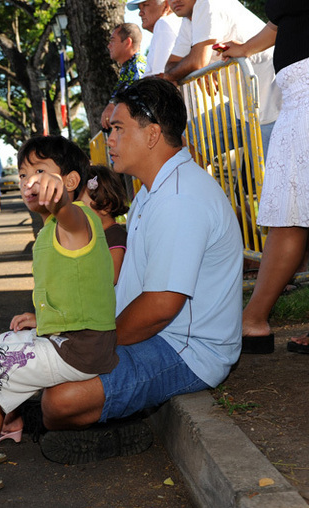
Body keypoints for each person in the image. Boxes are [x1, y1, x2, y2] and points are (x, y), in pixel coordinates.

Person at [14, 78, 243, 465]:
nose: (110, 141)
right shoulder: (153, 190)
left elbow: (159, 307)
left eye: (118, 129)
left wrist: (87, 345)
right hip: (154, 334)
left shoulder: (179, 199)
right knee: (21, 352)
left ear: (152, 133)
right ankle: (108, 413)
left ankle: (114, 425)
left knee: (60, 400)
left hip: (187, 350)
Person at [0, 136, 118, 493]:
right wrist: (40, 318)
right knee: (4, 342)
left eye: (41, 172)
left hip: (79, 348)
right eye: (24, 172)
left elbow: (69, 214)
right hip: (70, 338)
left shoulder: (76, 219)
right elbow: (73, 286)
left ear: (71, 181)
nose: (30, 180)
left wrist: (59, 199)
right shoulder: (49, 227)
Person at [217, 2, 309, 355]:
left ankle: (253, 319)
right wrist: (244, 48)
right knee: (286, 213)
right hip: (294, 99)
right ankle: (253, 320)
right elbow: (283, 20)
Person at [164, 0, 281, 154]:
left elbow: (196, 61)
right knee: (187, 141)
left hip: (271, 104)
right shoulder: (188, 20)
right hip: (244, 107)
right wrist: (196, 68)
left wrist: (195, 66)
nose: (175, 0)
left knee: (273, 175)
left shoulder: (206, 3)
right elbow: (170, 66)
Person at [79, 165, 130, 285]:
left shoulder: (115, 236)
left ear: (105, 206)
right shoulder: (94, 235)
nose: (76, 211)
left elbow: (112, 276)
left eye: (82, 205)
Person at [101, 23, 146, 130]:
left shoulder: (137, 66)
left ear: (127, 42)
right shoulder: (129, 67)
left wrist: (113, 104)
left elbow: (136, 99)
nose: (109, 45)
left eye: (112, 40)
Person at [126, 0, 182, 77]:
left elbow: (161, 77)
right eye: (139, 8)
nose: (140, 13)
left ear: (166, 5)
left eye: (145, 5)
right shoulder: (177, 22)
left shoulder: (163, 23)